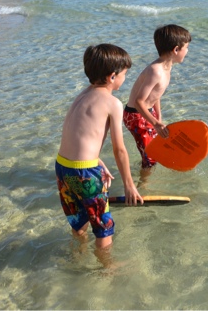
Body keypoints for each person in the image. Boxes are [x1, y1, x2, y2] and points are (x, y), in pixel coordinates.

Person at [56, 44, 143, 262]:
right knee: (104, 228)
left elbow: (76, 135)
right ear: (112, 76)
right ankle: (107, 270)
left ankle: (78, 256)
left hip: (63, 167)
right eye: (124, 74)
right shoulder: (113, 103)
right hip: (85, 173)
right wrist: (129, 185)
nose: (125, 79)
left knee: (79, 220)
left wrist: (95, 160)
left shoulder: (81, 96)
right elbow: (119, 149)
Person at [123, 24, 192, 174]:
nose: (187, 51)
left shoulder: (167, 68)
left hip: (147, 112)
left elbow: (155, 94)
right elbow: (139, 101)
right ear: (176, 50)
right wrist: (155, 123)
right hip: (135, 116)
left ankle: (142, 168)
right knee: (151, 157)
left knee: (154, 149)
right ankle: (143, 185)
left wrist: (158, 116)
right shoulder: (156, 71)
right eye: (186, 47)